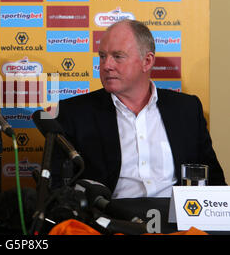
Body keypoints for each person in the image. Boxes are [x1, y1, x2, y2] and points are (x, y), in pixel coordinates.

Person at [51, 19, 226, 198]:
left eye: (118, 56)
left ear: (147, 61)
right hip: (108, 220)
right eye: (102, 56)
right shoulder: (74, 113)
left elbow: (213, 180)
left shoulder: (186, 109)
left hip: (178, 220)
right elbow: (57, 188)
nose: (106, 66)